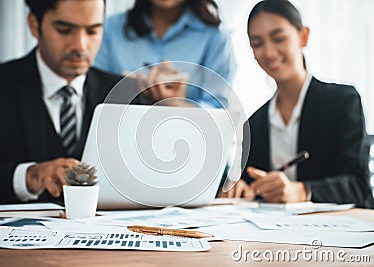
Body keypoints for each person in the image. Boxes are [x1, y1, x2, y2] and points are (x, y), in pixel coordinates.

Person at [221, 0, 374, 208]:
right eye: (257, 43)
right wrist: (246, 190)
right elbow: (253, 184)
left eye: (278, 38)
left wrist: (301, 191)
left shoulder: (342, 101)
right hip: (274, 236)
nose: (269, 52)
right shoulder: (255, 124)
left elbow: (359, 187)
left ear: (303, 36)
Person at [0, 0, 125, 205]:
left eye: (92, 31)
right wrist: (28, 177)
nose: (80, 46)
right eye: (64, 30)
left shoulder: (126, 94)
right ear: (34, 25)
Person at [93, 0, 237, 107]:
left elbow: (218, 113)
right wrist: (133, 91)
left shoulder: (216, 36)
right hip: (118, 134)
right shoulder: (110, 28)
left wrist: (175, 105)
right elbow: (92, 96)